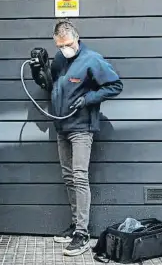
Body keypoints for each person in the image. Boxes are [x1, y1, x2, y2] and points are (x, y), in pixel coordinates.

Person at [31, 20, 123, 256]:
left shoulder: (91, 59)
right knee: (68, 177)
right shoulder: (60, 59)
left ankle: (82, 234)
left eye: (68, 44)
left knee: (80, 177)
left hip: (81, 127)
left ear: (76, 38)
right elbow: (51, 86)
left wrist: (89, 98)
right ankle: (75, 226)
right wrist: (38, 72)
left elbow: (115, 85)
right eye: (60, 46)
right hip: (62, 126)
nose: (64, 49)